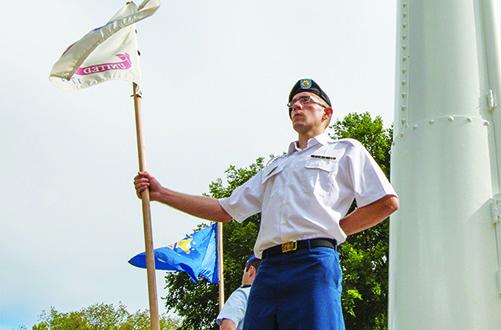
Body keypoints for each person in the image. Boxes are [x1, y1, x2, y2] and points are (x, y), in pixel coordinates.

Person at [134, 78, 399, 329]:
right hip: (268, 269)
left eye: (306, 100)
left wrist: (336, 229)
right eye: (292, 104)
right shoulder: (275, 167)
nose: (296, 106)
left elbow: (384, 202)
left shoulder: (345, 150)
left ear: (326, 113)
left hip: (313, 263)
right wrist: (161, 193)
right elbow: (224, 210)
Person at [216, 256, 261, 330]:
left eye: (243, 273)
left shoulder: (242, 294)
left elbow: (227, 326)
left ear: (250, 271)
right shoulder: (277, 298)